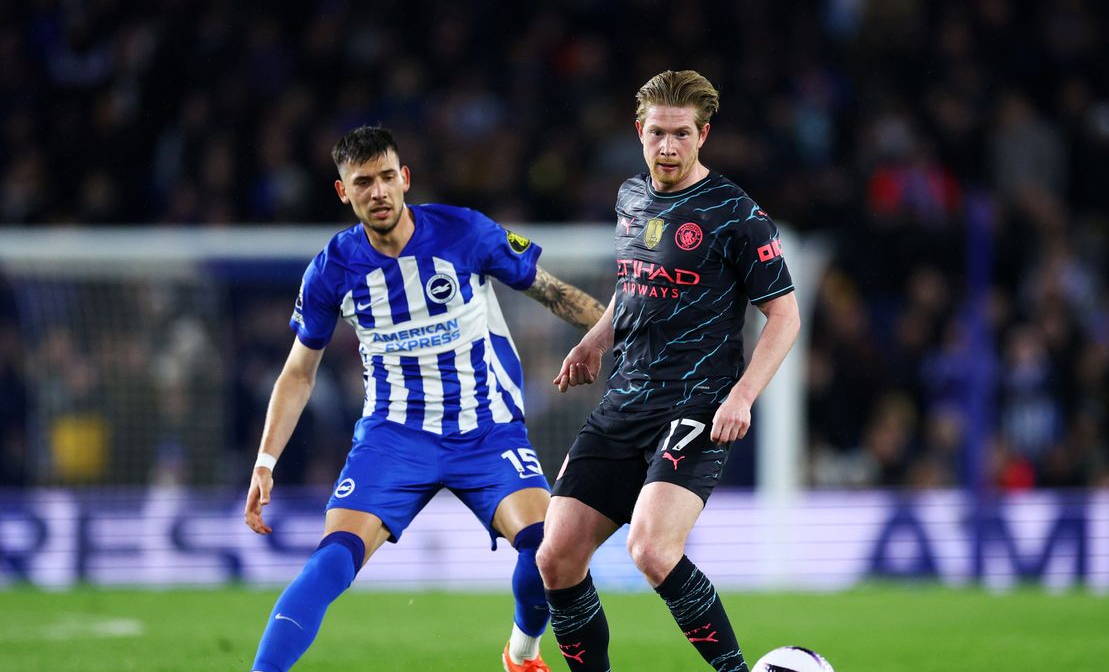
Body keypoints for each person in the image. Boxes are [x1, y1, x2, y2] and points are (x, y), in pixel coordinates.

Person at [244, 125, 606, 672]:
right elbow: (299, 372)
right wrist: (266, 460)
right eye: (363, 182)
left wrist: (619, 330)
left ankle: (522, 653)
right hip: (394, 438)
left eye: (388, 177)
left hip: (487, 430)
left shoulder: (463, 232)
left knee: (547, 553)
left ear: (405, 178)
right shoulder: (332, 269)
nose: (379, 192)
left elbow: (551, 291)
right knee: (329, 565)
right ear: (344, 192)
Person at [536, 70, 801, 671]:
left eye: (681, 134)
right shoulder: (631, 198)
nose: (668, 147)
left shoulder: (738, 215)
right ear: (639, 131)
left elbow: (784, 317)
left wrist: (743, 396)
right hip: (624, 400)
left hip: (697, 402)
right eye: (657, 133)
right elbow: (634, 289)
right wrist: (596, 338)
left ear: (703, 134)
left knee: (652, 549)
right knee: (555, 556)